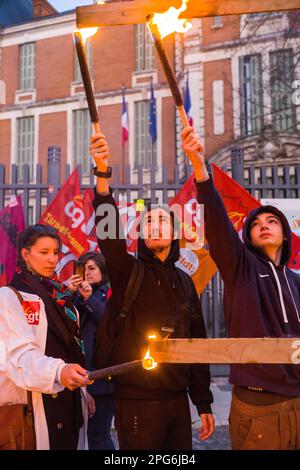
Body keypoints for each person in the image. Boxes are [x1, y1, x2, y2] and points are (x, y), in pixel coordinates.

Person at [89, 133, 214, 451]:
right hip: (135, 400)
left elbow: (197, 343)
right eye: (149, 222)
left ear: (174, 234)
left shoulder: (185, 280)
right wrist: (103, 176)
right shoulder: (127, 270)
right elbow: (108, 234)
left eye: (163, 220)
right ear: (141, 235)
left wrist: (203, 402)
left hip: (178, 401)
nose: (156, 224)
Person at [181, 126, 300, 450]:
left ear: (286, 234)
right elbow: (218, 223)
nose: (263, 225)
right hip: (258, 404)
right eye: (256, 224)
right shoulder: (240, 268)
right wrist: (200, 169)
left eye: (271, 222)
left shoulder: (295, 280)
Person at [0, 224, 94, 450]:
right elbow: (19, 356)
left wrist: (83, 392)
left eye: (55, 252)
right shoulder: (9, 297)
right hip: (33, 407)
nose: (52, 259)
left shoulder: (63, 299)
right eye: (44, 252)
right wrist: (58, 371)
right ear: (25, 254)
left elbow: (73, 349)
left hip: (70, 403)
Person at [69, 252, 115, 450]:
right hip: (78, 375)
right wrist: (68, 292)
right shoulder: (76, 296)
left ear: (102, 271)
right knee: (83, 435)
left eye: (92, 268)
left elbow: (109, 324)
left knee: (99, 435)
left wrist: (88, 297)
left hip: (102, 379)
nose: (87, 273)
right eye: (83, 268)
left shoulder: (110, 294)